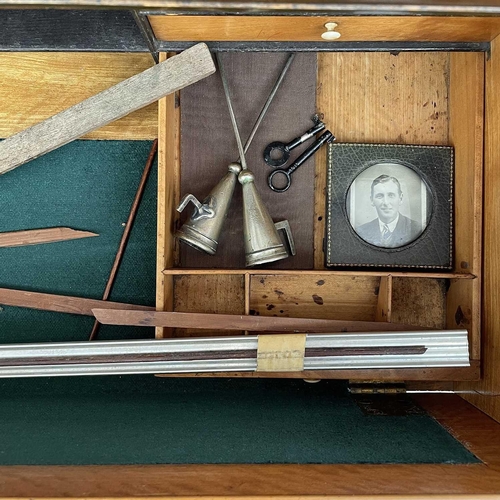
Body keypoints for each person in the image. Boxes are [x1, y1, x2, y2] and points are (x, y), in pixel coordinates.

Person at [356, 174, 421, 248]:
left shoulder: (416, 229)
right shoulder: (362, 231)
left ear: (400, 198)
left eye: (391, 195)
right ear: (372, 200)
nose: (386, 203)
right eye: (380, 196)